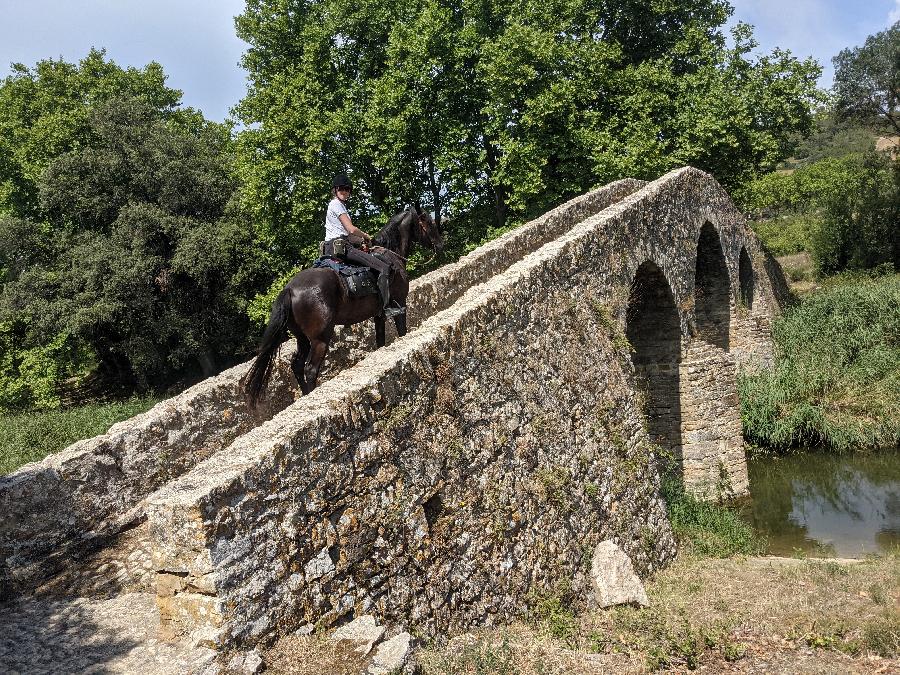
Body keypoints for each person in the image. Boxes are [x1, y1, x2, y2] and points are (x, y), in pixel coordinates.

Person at [323, 174, 393, 311]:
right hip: (342, 248)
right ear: (335, 190)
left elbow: (347, 233)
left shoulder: (337, 205)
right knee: (384, 267)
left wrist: (361, 241)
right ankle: (386, 308)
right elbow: (351, 229)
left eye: (347, 189)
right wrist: (366, 236)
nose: (344, 192)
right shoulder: (336, 205)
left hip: (333, 247)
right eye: (341, 189)